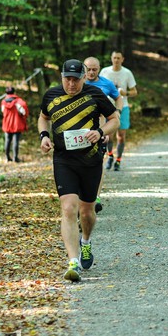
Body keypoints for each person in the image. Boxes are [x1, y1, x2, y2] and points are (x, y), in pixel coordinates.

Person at [38, 59, 120, 282]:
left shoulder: (95, 94)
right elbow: (43, 118)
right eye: (67, 79)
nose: (71, 84)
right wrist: (44, 136)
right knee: (68, 208)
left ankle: (85, 241)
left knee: (86, 211)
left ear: (84, 78)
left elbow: (115, 119)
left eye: (76, 79)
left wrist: (101, 132)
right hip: (64, 159)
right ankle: (72, 262)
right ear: (62, 77)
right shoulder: (51, 95)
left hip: (91, 160)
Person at [84, 56, 124, 213]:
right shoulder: (77, 84)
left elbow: (118, 98)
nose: (91, 72)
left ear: (99, 69)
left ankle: (96, 197)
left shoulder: (106, 84)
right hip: (79, 131)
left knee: (97, 164)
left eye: (94, 69)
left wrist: (117, 112)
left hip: (101, 129)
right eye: (88, 69)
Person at [100, 51, 138, 171]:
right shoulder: (105, 72)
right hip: (107, 108)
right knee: (108, 136)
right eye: (114, 58)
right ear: (111, 59)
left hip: (123, 107)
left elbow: (135, 91)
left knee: (121, 136)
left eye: (118, 58)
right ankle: (110, 155)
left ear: (122, 59)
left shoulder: (127, 73)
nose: (116, 60)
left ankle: (118, 160)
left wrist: (124, 93)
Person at [1, 86, 28, 162]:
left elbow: (2, 111)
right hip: (16, 123)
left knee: (7, 140)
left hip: (7, 124)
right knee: (15, 141)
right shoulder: (18, 102)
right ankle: (15, 158)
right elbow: (24, 112)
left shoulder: (3, 102)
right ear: (14, 92)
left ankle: (7, 157)